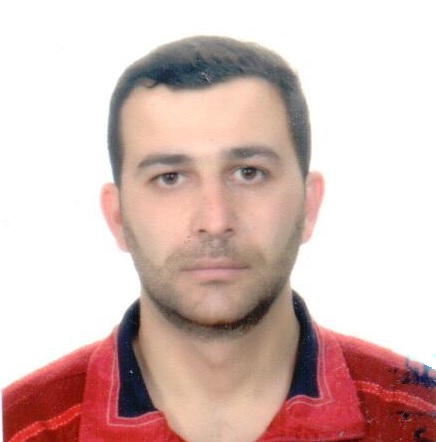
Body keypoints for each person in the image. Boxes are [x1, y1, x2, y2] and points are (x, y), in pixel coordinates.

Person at [3, 36, 435, 442]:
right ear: (117, 217)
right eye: (170, 178)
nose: (215, 220)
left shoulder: (423, 417)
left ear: (308, 205)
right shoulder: (18, 426)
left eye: (249, 173)